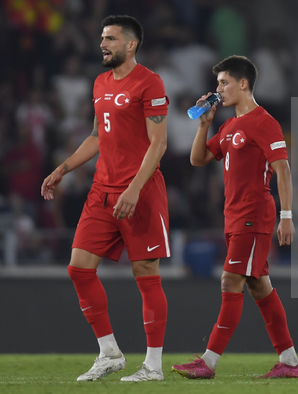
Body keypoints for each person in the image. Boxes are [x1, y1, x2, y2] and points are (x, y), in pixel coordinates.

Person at [41, 15, 170, 382]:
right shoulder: (99, 83)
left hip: (140, 190)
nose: (102, 44)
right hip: (102, 190)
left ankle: (153, 366)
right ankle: (109, 352)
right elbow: (98, 136)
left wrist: (134, 188)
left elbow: (159, 144)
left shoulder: (150, 82)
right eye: (102, 38)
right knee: (79, 268)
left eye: (111, 38)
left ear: (131, 45)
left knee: (145, 273)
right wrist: (64, 167)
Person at [172, 55, 298, 379]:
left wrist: (286, 215)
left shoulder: (264, 121)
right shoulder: (229, 125)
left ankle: (208, 361)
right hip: (233, 216)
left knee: (230, 279)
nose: (218, 89)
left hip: (254, 215)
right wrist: (204, 125)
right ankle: (289, 362)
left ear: (243, 83)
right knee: (259, 287)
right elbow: (198, 158)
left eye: (223, 83)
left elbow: (282, 168)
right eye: (217, 83)